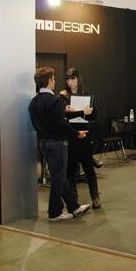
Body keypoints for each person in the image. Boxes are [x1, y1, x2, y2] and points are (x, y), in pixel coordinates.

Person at [28, 67, 91, 221]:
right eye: (54, 78)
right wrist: (76, 133)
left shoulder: (33, 102)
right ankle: (54, 212)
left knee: (59, 176)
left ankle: (74, 207)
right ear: (49, 81)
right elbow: (61, 124)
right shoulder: (55, 101)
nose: (55, 81)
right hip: (57, 143)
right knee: (58, 178)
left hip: (43, 143)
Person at [60, 68, 102, 210]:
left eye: (73, 78)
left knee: (88, 166)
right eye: (68, 79)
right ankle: (74, 199)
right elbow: (63, 115)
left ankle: (95, 196)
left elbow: (94, 115)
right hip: (71, 134)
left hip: (85, 133)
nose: (70, 82)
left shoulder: (87, 95)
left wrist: (87, 112)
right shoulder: (63, 96)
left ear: (78, 79)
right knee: (71, 169)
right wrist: (79, 112)